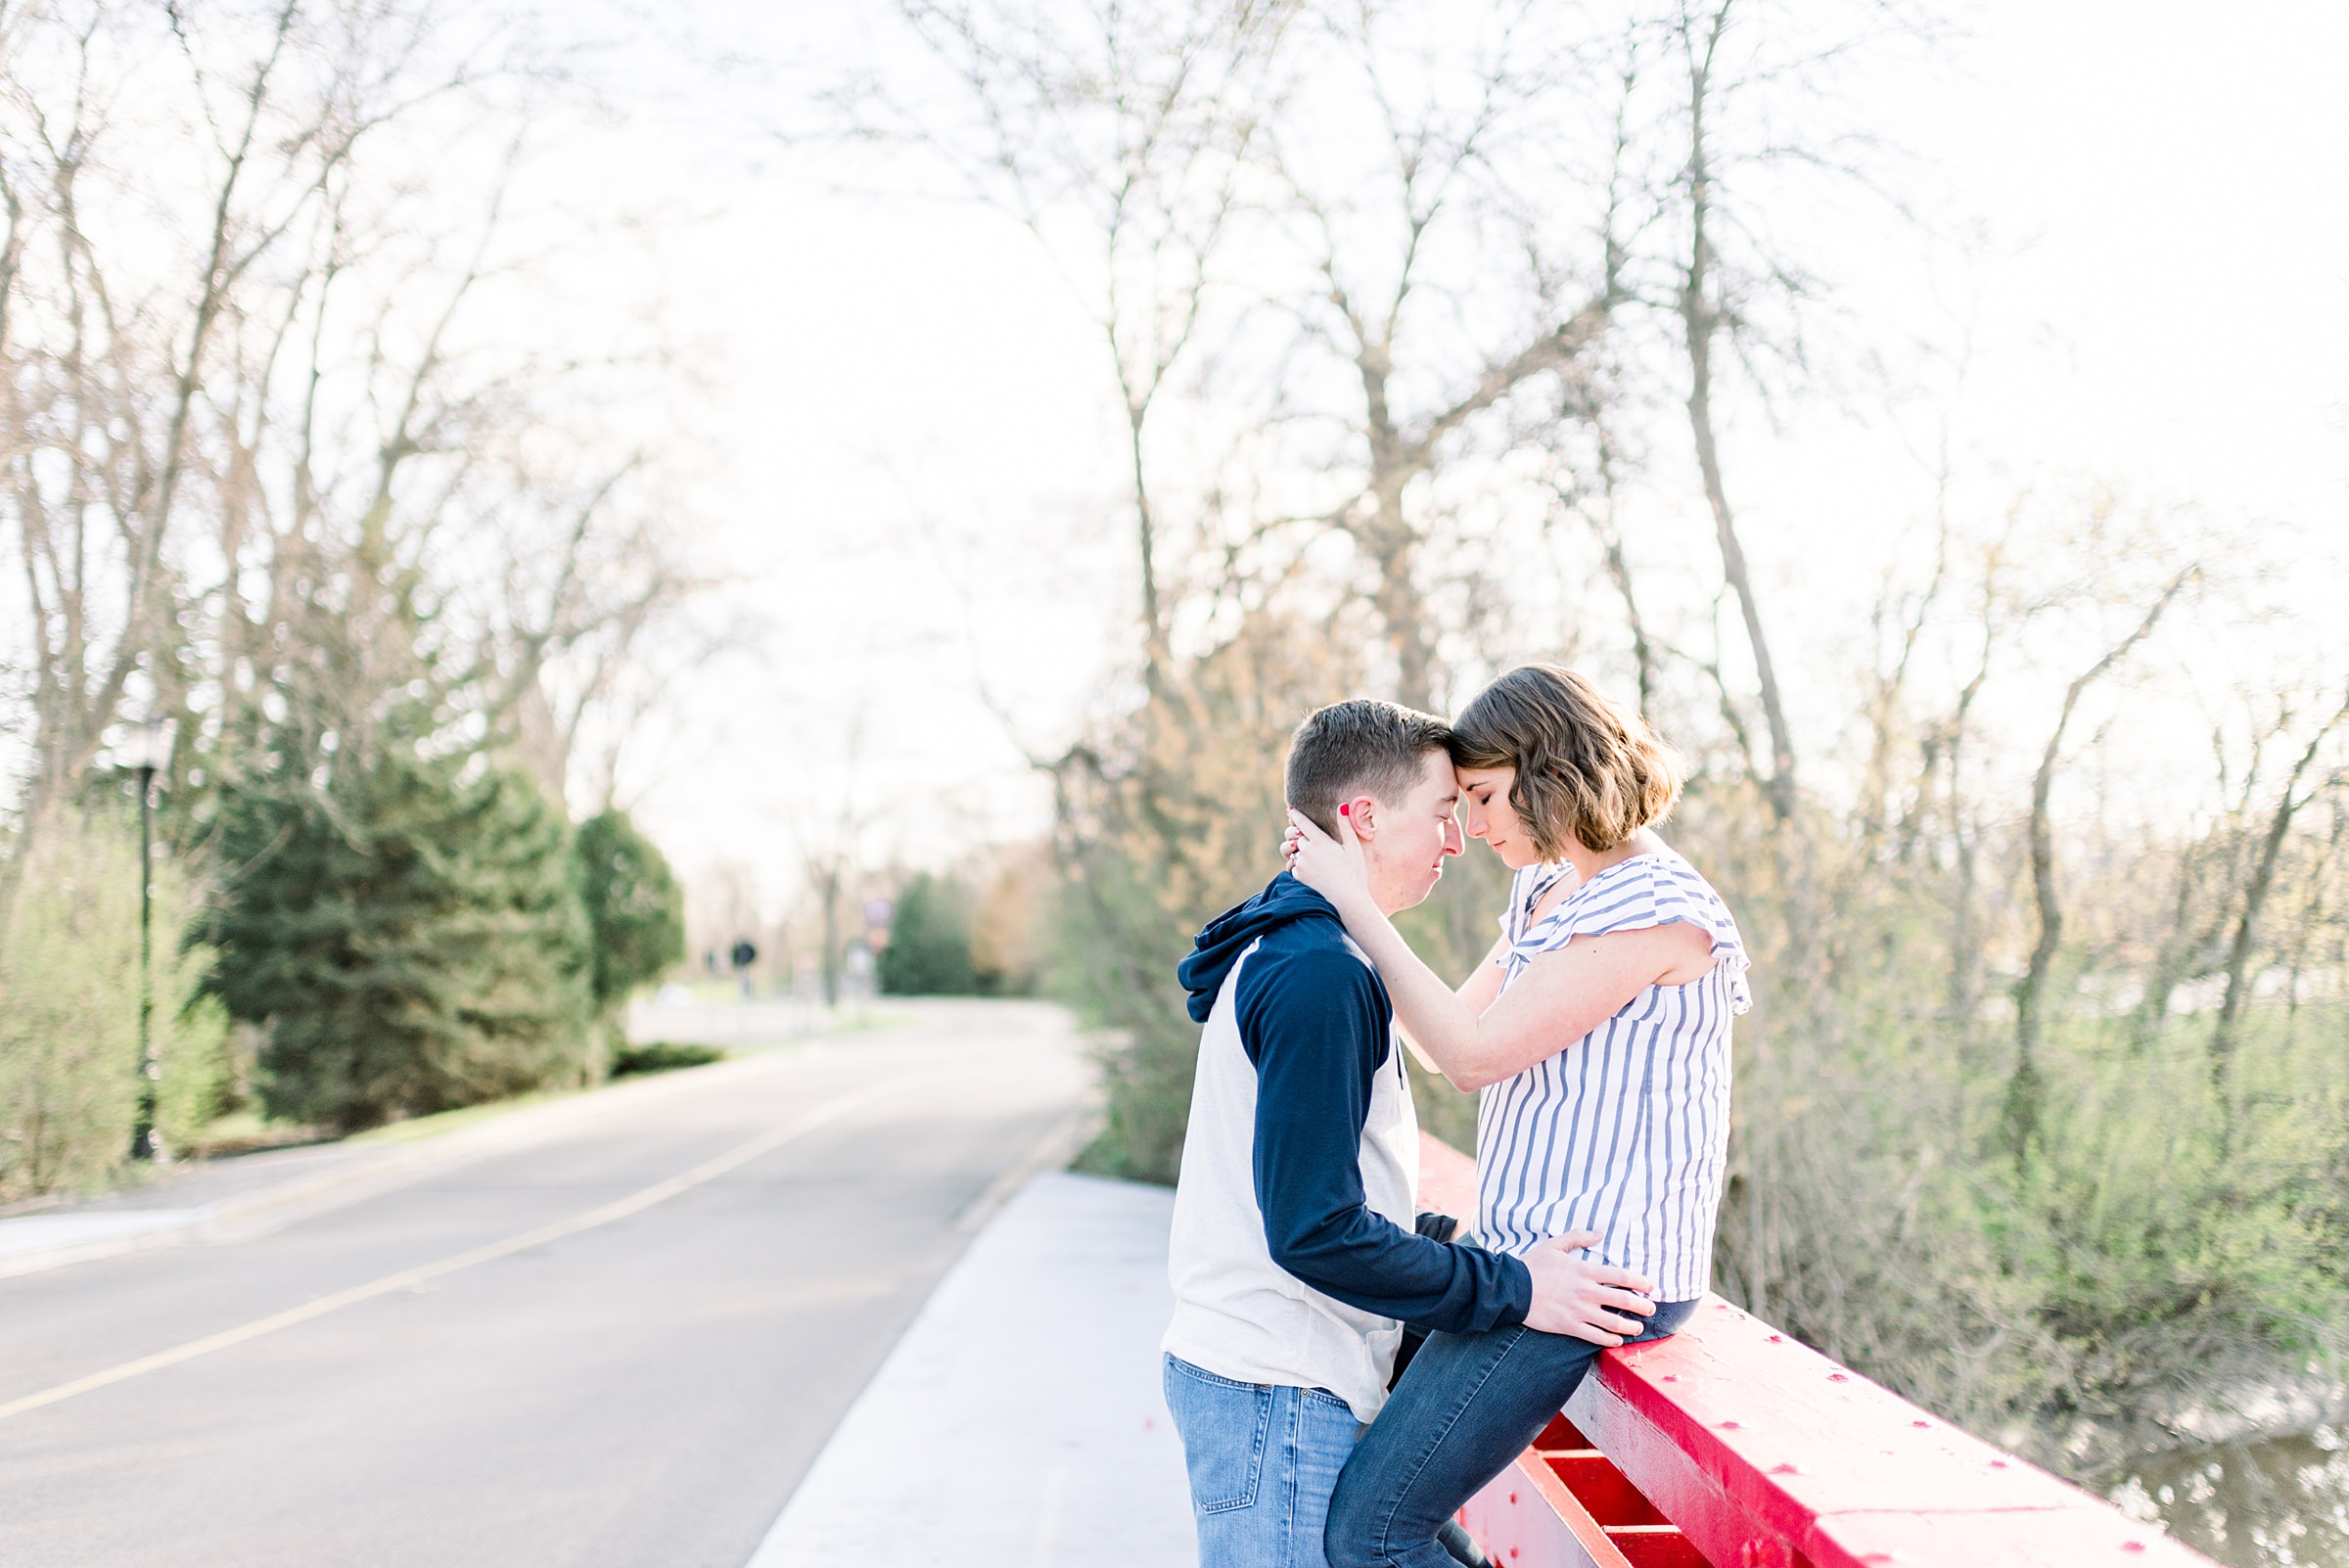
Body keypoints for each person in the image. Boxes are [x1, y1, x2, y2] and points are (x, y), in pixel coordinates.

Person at [1163, 698, 1655, 1568]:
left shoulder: (1310, 951)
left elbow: (1334, 1185)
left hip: (1273, 1381)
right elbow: (1315, 1230)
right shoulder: (1317, 975)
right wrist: (1513, 1287)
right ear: (1361, 819)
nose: (1457, 840)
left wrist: (1452, 1245)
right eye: (1439, 812)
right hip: (1277, 1391)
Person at [1283, 666, 1750, 1568]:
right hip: (1526, 1260)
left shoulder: (1656, 911)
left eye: (1487, 796)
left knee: (1369, 1534)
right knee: (1387, 1496)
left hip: (1598, 1281)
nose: (1476, 826)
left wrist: (1351, 900)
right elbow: (1442, 1036)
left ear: (1551, 773)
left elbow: (1472, 1058)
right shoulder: (1549, 890)